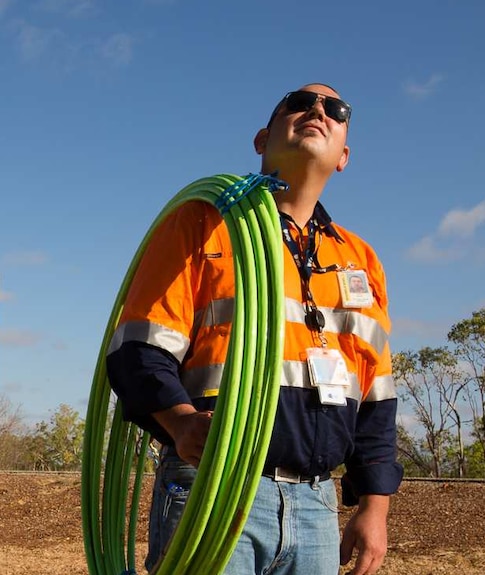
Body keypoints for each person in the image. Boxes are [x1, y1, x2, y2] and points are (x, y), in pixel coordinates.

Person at [106, 83, 403, 575]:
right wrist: (180, 421)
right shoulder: (202, 224)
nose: (316, 111)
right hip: (214, 484)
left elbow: (376, 398)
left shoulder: (361, 260)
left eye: (335, 109)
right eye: (299, 103)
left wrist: (375, 506)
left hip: (315, 505)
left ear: (344, 156)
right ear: (262, 139)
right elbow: (140, 347)